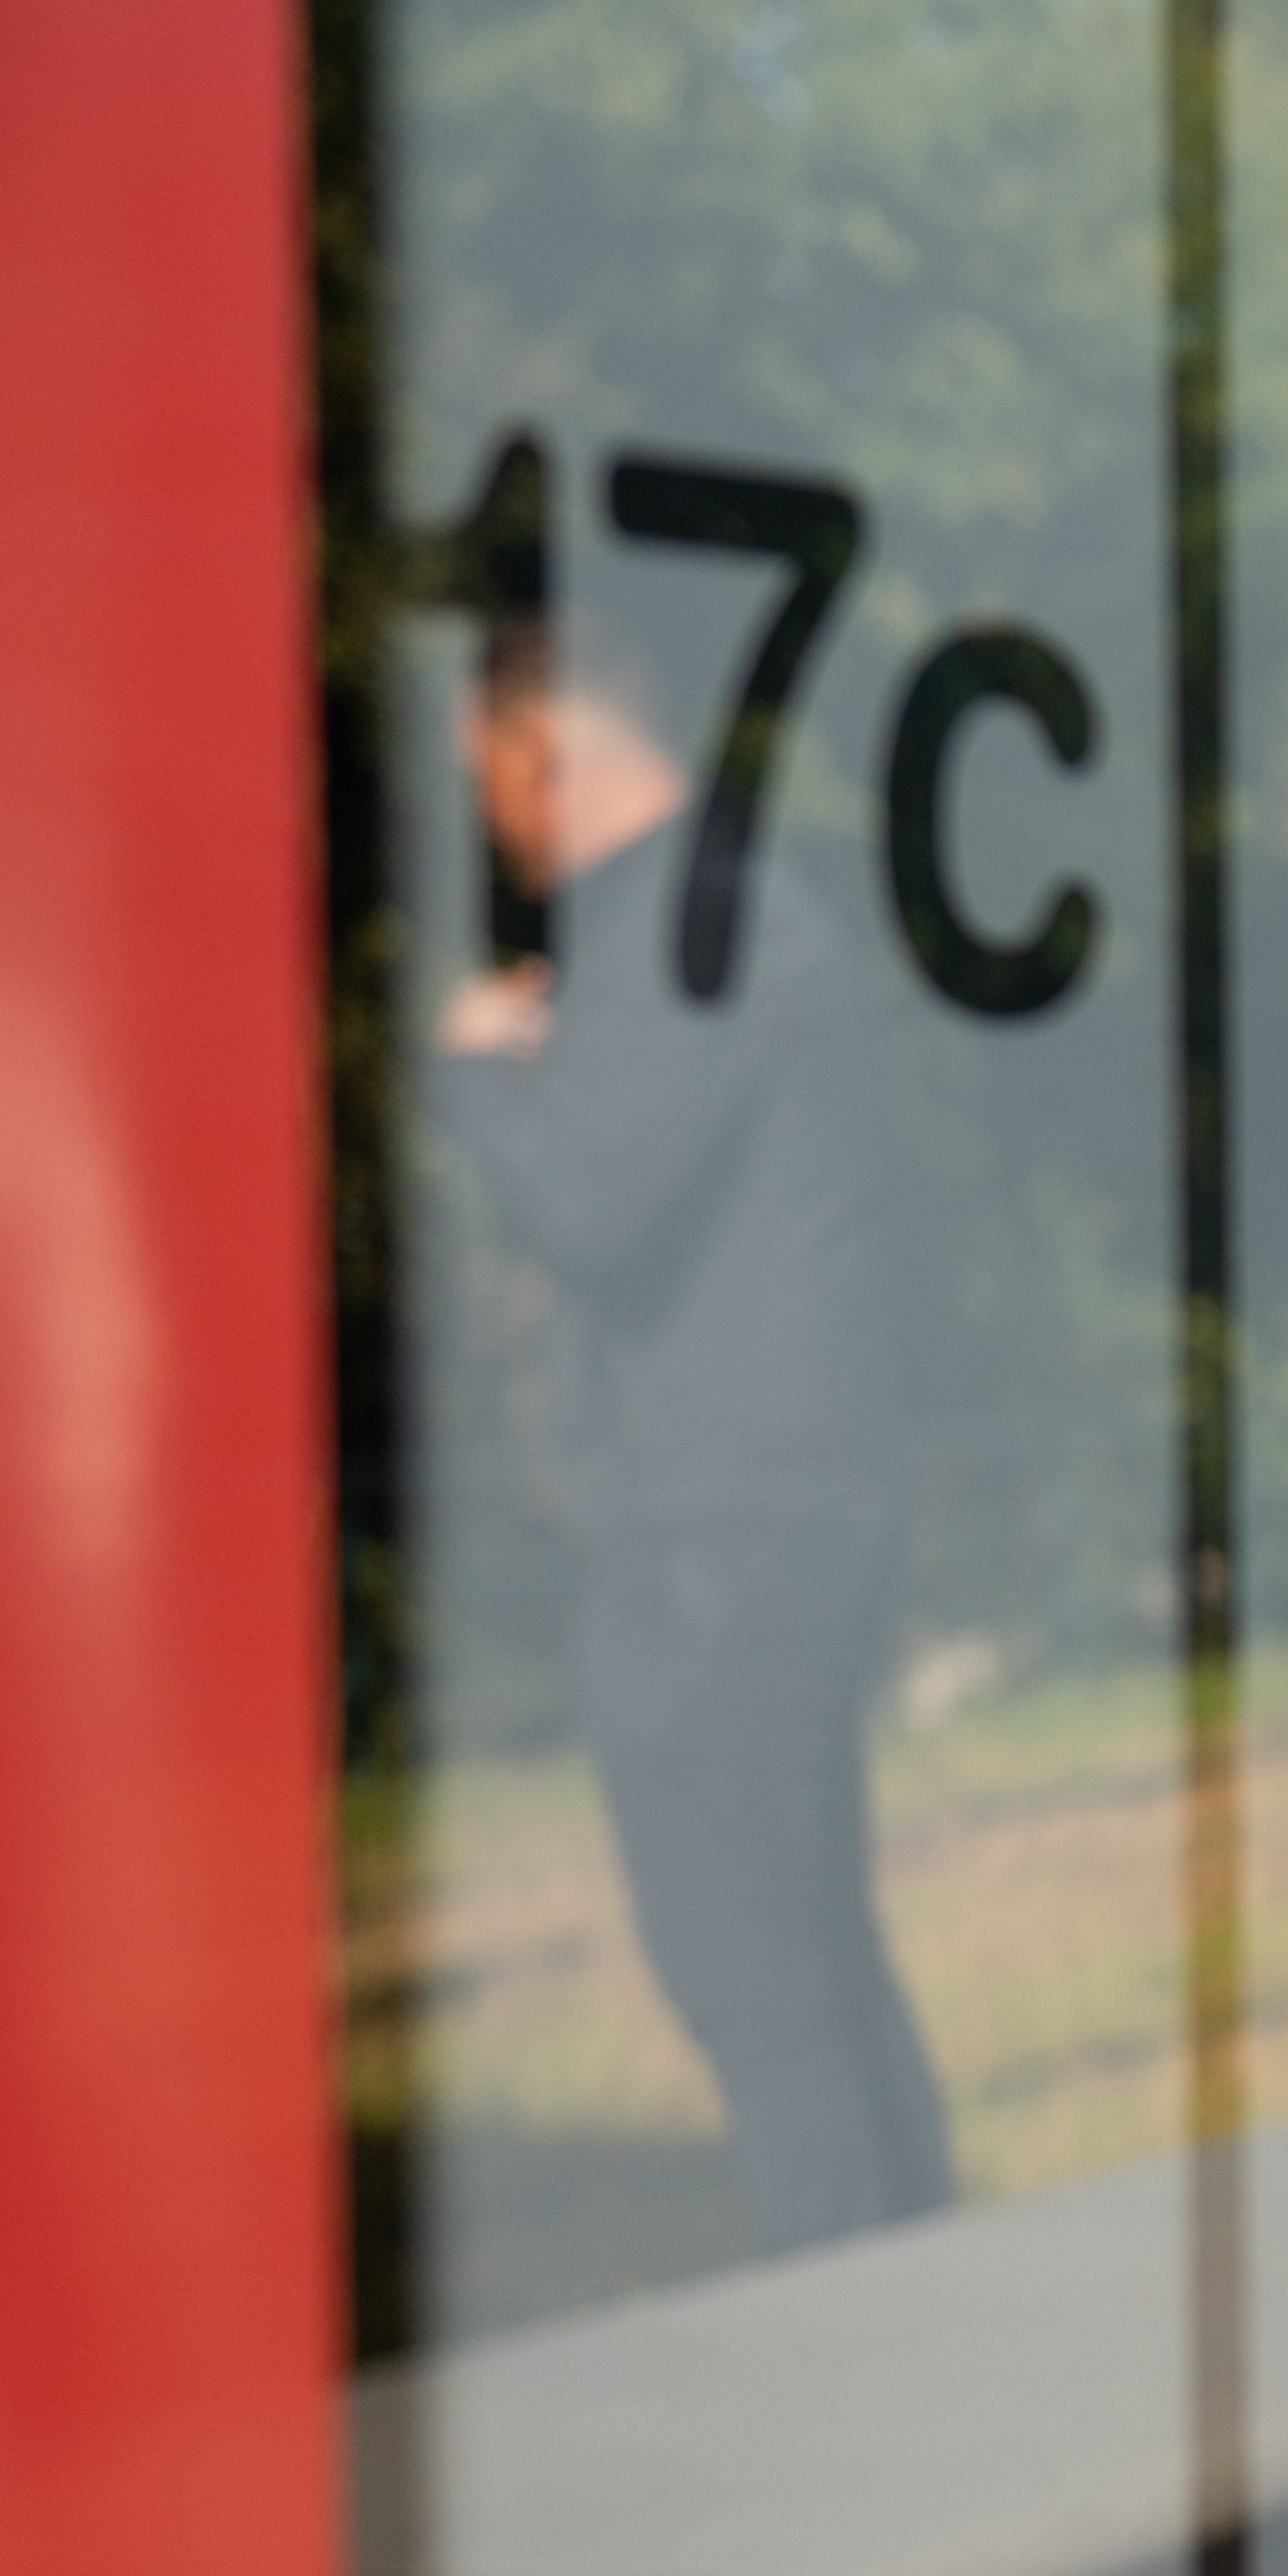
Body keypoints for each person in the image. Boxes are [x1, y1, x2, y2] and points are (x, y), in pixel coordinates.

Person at [436, 612, 956, 2255]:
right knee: (806, 1947)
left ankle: (852, 2325)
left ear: (544, 755)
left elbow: (590, 1195)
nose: (492, 831)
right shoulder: (710, 921)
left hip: (717, 1539)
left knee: (753, 1973)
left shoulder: (684, 927)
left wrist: (474, 1072)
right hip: (757, 1521)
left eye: (490, 787)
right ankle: (921, 2300)